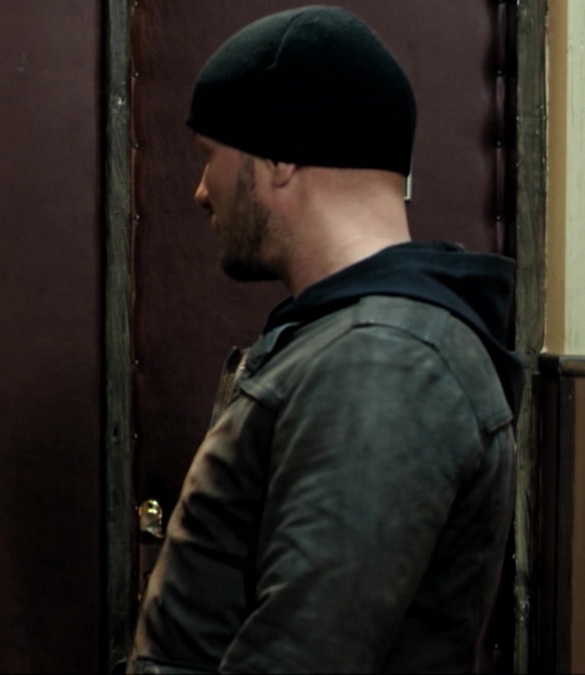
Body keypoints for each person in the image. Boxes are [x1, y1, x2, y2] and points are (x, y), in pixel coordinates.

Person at [128, 7, 523, 673]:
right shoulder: (350, 343)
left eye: (209, 157)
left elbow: (302, 654)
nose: (200, 191)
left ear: (278, 155)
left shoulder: (386, 363)